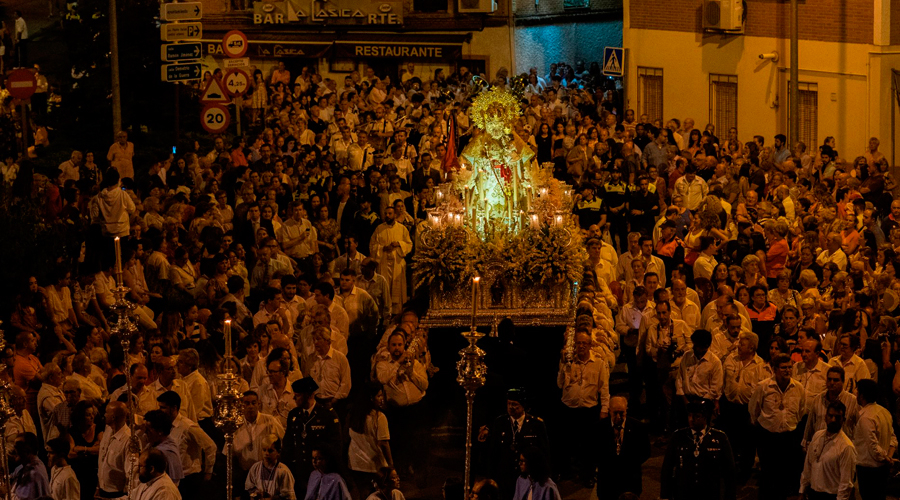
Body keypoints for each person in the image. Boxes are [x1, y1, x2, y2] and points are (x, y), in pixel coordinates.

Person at [749, 353, 806, 500]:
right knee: (768, 474)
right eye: (783, 368)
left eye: (789, 367)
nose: (787, 370)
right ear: (774, 369)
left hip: (789, 437)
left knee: (787, 473)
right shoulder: (763, 387)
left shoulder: (798, 387)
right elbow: (754, 410)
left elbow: (801, 411)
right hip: (768, 437)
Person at [660, 398, 735, 500]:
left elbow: (729, 471)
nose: (692, 419)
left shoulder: (719, 438)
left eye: (697, 416)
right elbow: (667, 469)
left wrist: (729, 496)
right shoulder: (678, 436)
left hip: (709, 493)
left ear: (705, 417)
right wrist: (665, 496)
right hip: (684, 493)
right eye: (690, 415)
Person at [481, 389, 549, 497]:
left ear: (523, 406)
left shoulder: (536, 424)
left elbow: (544, 452)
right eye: (509, 403)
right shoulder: (500, 422)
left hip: (527, 477)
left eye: (515, 404)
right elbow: (493, 452)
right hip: (504, 477)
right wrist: (490, 477)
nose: (511, 407)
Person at [281, 377, 342, 499]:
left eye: (297, 395)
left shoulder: (326, 414)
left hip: (319, 471)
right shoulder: (294, 415)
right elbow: (288, 444)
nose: (294, 398)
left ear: (308, 395)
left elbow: (335, 445)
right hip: (298, 472)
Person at [594, 397, 650, 500]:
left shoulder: (638, 428)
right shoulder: (599, 428)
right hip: (607, 483)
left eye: (622, 413)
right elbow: (594, 452)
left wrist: (630, 463)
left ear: (626, 410)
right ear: (609, 410)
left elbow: (645, 452)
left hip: (630, 482)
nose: (618, 417)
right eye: (615, 413)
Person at [799, 401, 856, 500]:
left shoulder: (846, 447)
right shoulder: (817, 436)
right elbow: (808, 466)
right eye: (830, 416)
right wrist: (802, 490)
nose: (833, 420)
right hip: (813, 493)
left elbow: (846, 483)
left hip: (831, 496)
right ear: (825, 417)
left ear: (843, 420)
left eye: (837, 417)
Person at [853, 379, 898, 500]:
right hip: (883, 467)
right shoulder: (884, 412)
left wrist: (885, 457)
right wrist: (888, 456)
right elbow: (893, 438)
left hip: (869, 470)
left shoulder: (866, 417)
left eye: (857, 391)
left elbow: (873, 446)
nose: (855, 394)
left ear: (862, 396)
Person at [368, 206, 412, 315]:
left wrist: (399, 244)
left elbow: (409, 244)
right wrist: (382, 248)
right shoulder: (379, 229)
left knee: (397, 289)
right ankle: (386, 313)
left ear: (395, 215)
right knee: (385, 287)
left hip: (397, 262)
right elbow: (372, 245)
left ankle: (398, 313)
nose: (387, 215)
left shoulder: (402, 229)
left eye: (390, 213)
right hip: (383, 262)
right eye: (386, 213)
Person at [97, 401, 132, 498]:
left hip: (117, 494)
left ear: (113, 417)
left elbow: (131, 473)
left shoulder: (129, 440)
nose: (104, 415)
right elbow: (102, 460)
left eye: (106, 412)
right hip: (102, 489)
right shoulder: (108, 429)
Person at [246, 434, 296, 500]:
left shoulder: (283, 471)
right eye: (264, 450)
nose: (266, 453)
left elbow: (288, 496)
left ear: (278, 452)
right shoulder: (255, 468)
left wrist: (272, 498)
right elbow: (249, 488)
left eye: (270, 451)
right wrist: (256, 494)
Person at [11, 432, 49, 500]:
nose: (13, 450)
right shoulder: (24, 466)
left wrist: (6, 492)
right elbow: (11, 476)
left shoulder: (34, 473)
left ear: (28, 449)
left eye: (18, 447)